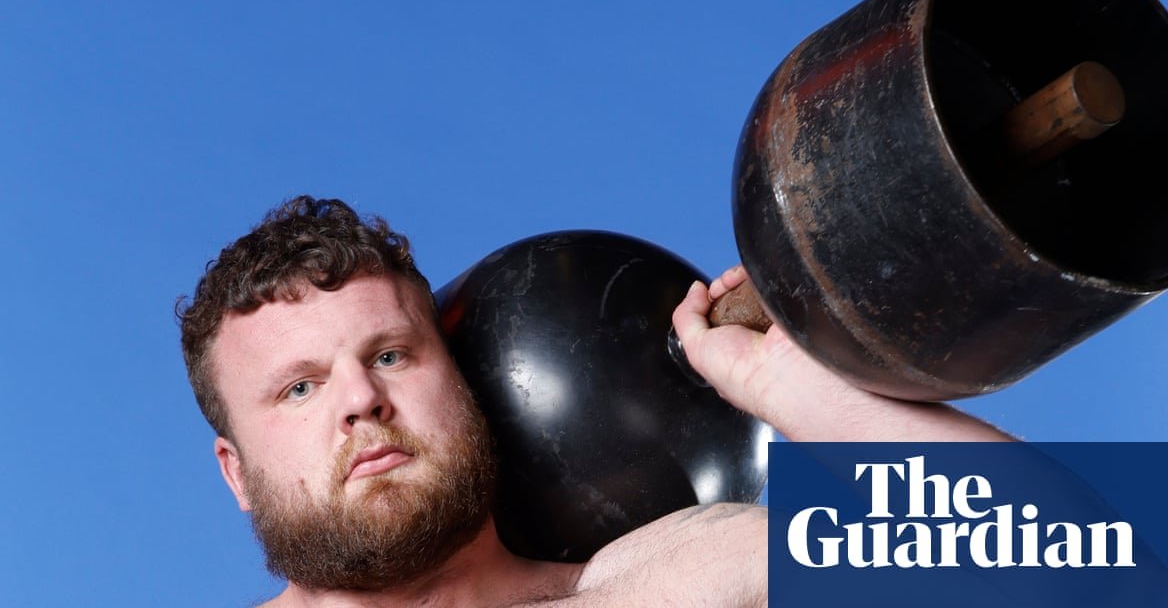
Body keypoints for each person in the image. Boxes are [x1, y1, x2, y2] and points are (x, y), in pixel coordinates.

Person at [178, 195, 1013, 607]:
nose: (362, 398)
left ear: (459, 375)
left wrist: (782, 390)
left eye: (390, 355)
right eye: (299, 387)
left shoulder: (676, 581)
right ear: (236, 473)